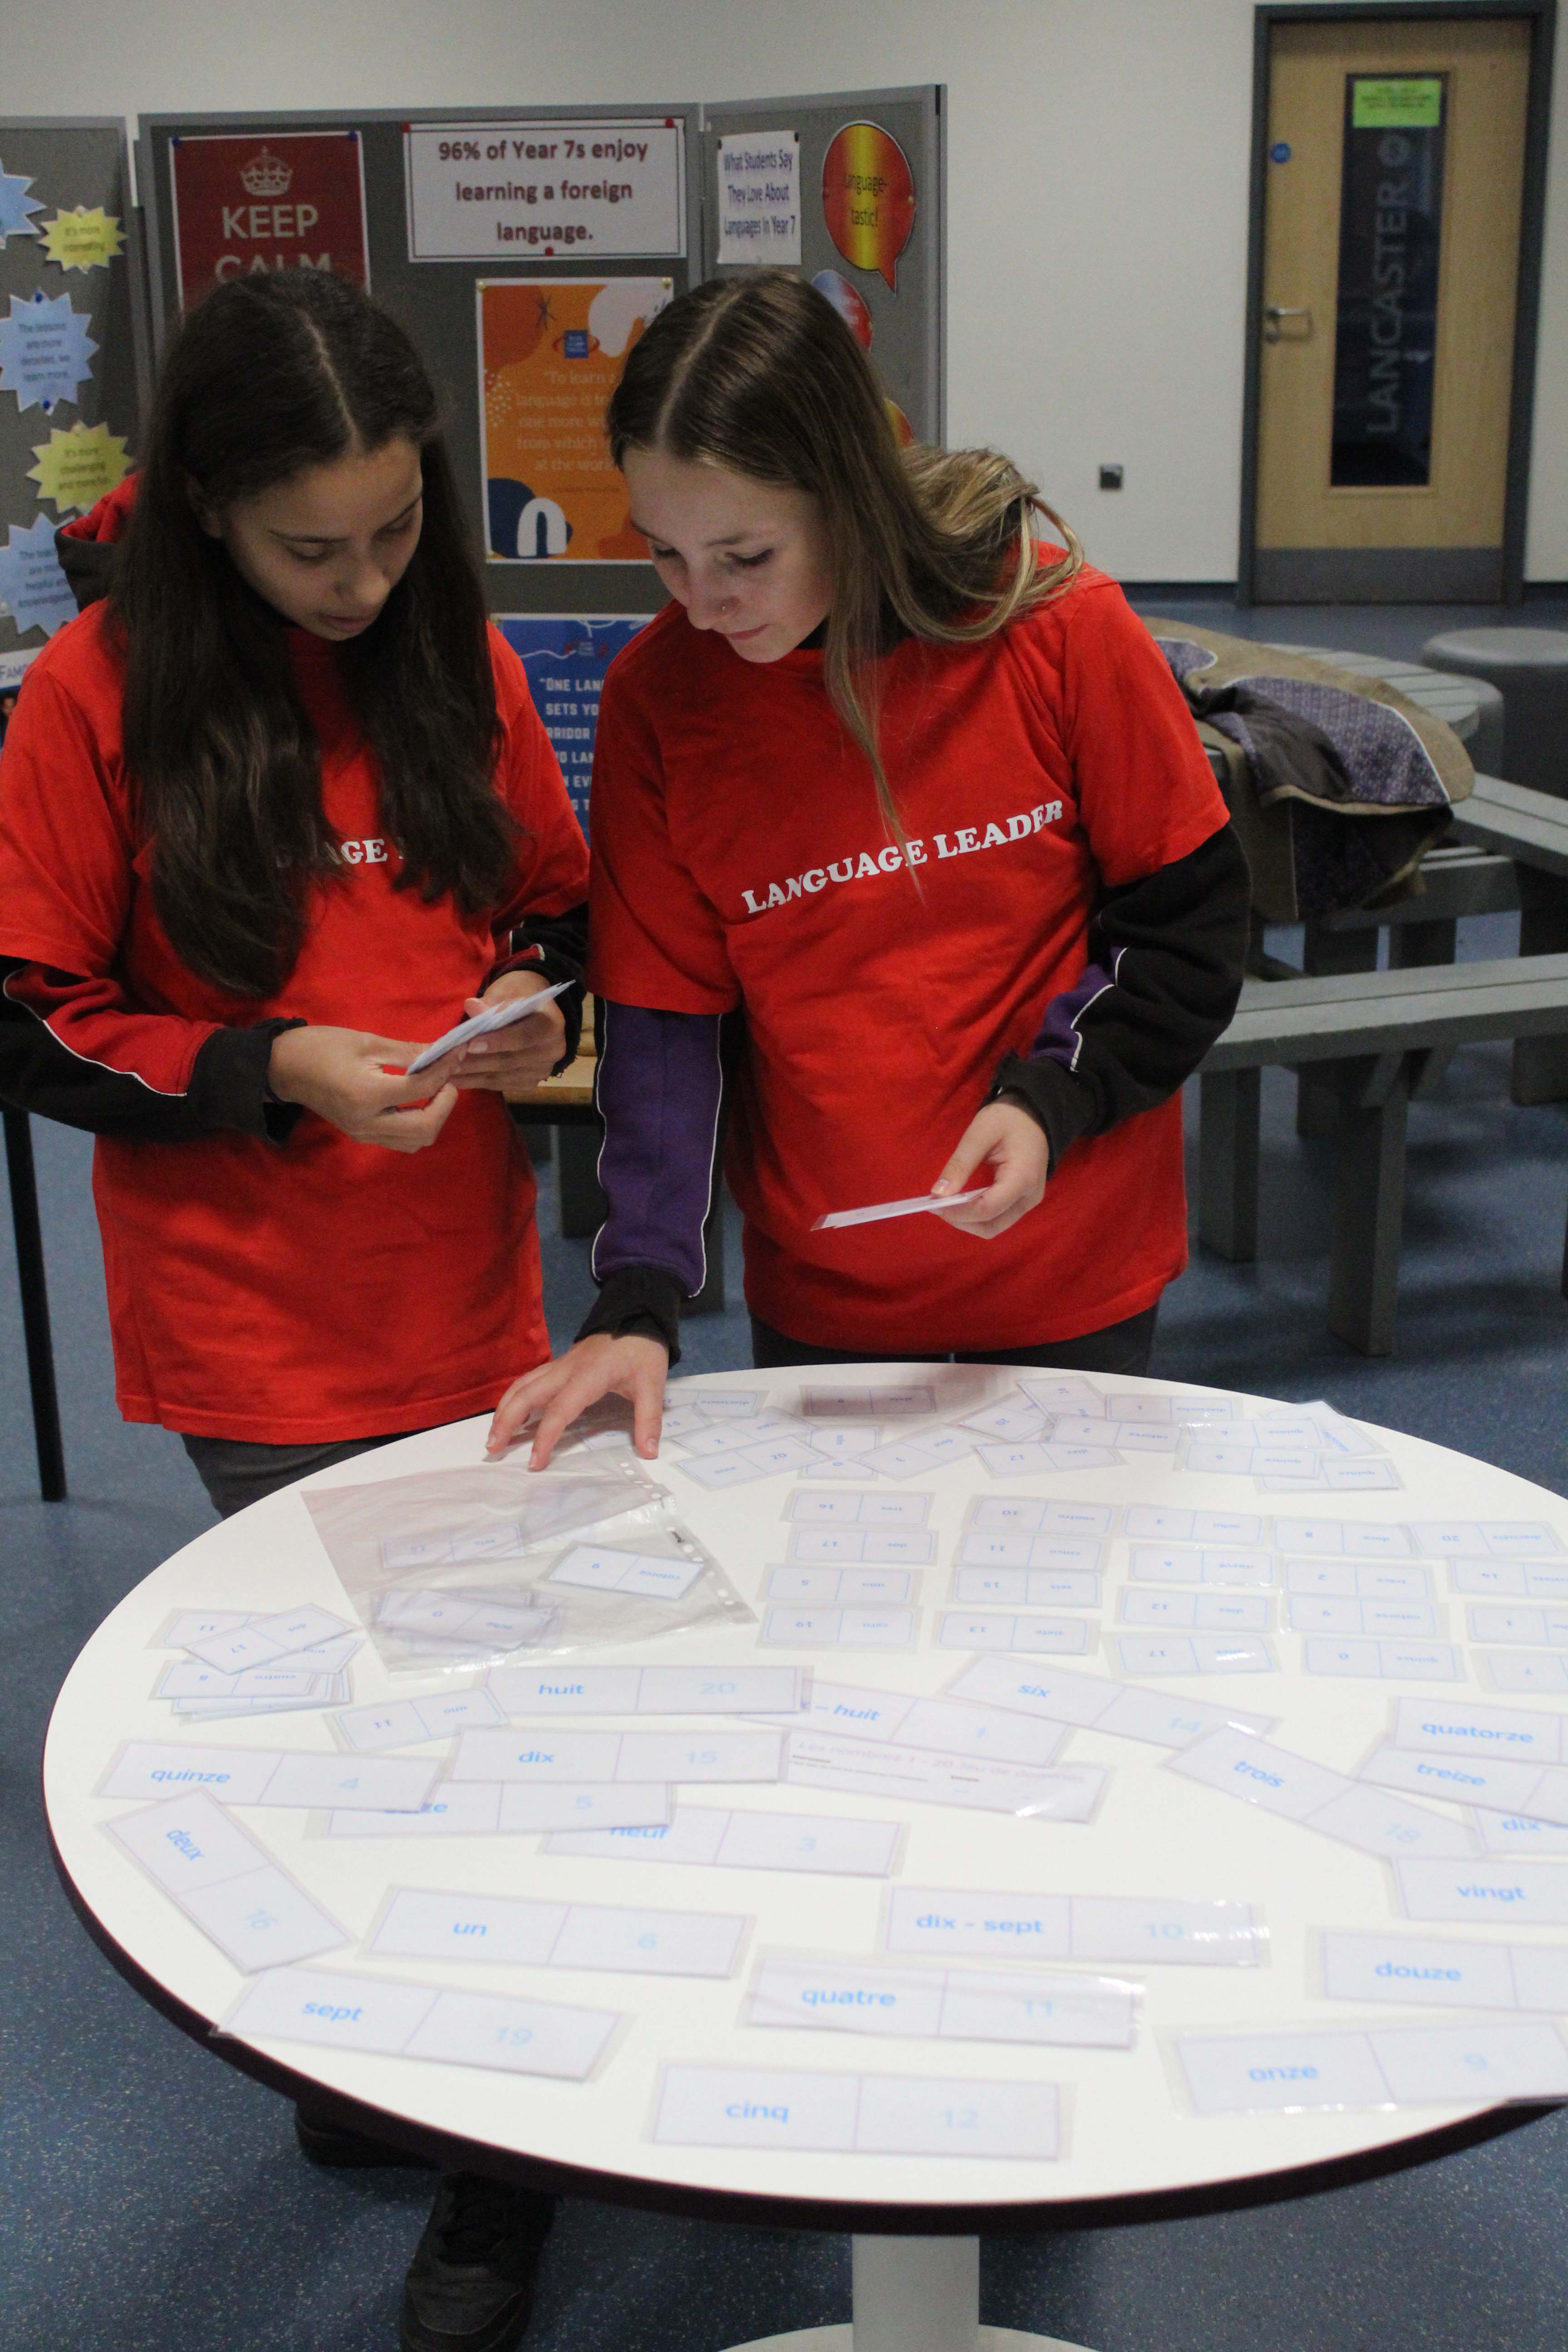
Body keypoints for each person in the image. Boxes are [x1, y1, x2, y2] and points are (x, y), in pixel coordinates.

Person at [0, 269, 581, 2352]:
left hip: (471, 1301)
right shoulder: (93, 700)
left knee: (489, 1734)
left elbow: (552, 901)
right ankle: (391, 2066)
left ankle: (501, 2172)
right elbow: (36, 1019)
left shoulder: (454, 657)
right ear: (206, 514)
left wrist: (530, 1007)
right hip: (253, 1326)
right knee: (347, 1739)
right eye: (308, 548)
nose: (362, 583)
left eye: (397, 529)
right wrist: (270, 1067)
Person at [490, 270, 1250, 1470]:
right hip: (831, 1300)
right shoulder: (660, 703)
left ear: (848, 495)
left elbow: (1187, 929)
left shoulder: (1052, 625)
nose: (704, 603)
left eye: (745, 554)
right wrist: (638, 1299)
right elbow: (665, 1028)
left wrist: (1051, 1101)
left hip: (1070, 1270)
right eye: (666, 554)